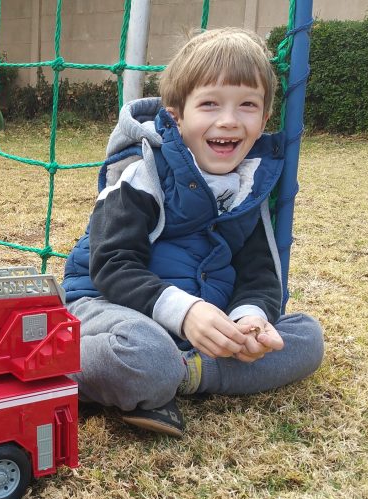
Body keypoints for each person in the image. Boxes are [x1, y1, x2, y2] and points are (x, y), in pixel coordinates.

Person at [62, 27, 324, 438]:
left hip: (198, 334)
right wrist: (185, 312)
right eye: (210, 104)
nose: (229, 120)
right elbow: (111, 266)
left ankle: (187, 374)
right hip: (105, 306)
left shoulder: (249, 188)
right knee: (145, 349)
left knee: (306, 337)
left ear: (265, 117)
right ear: (176, 114)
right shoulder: (140, 173)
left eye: (247, 105)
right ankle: (71, 365)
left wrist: (249, 320)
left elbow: (260, 276)